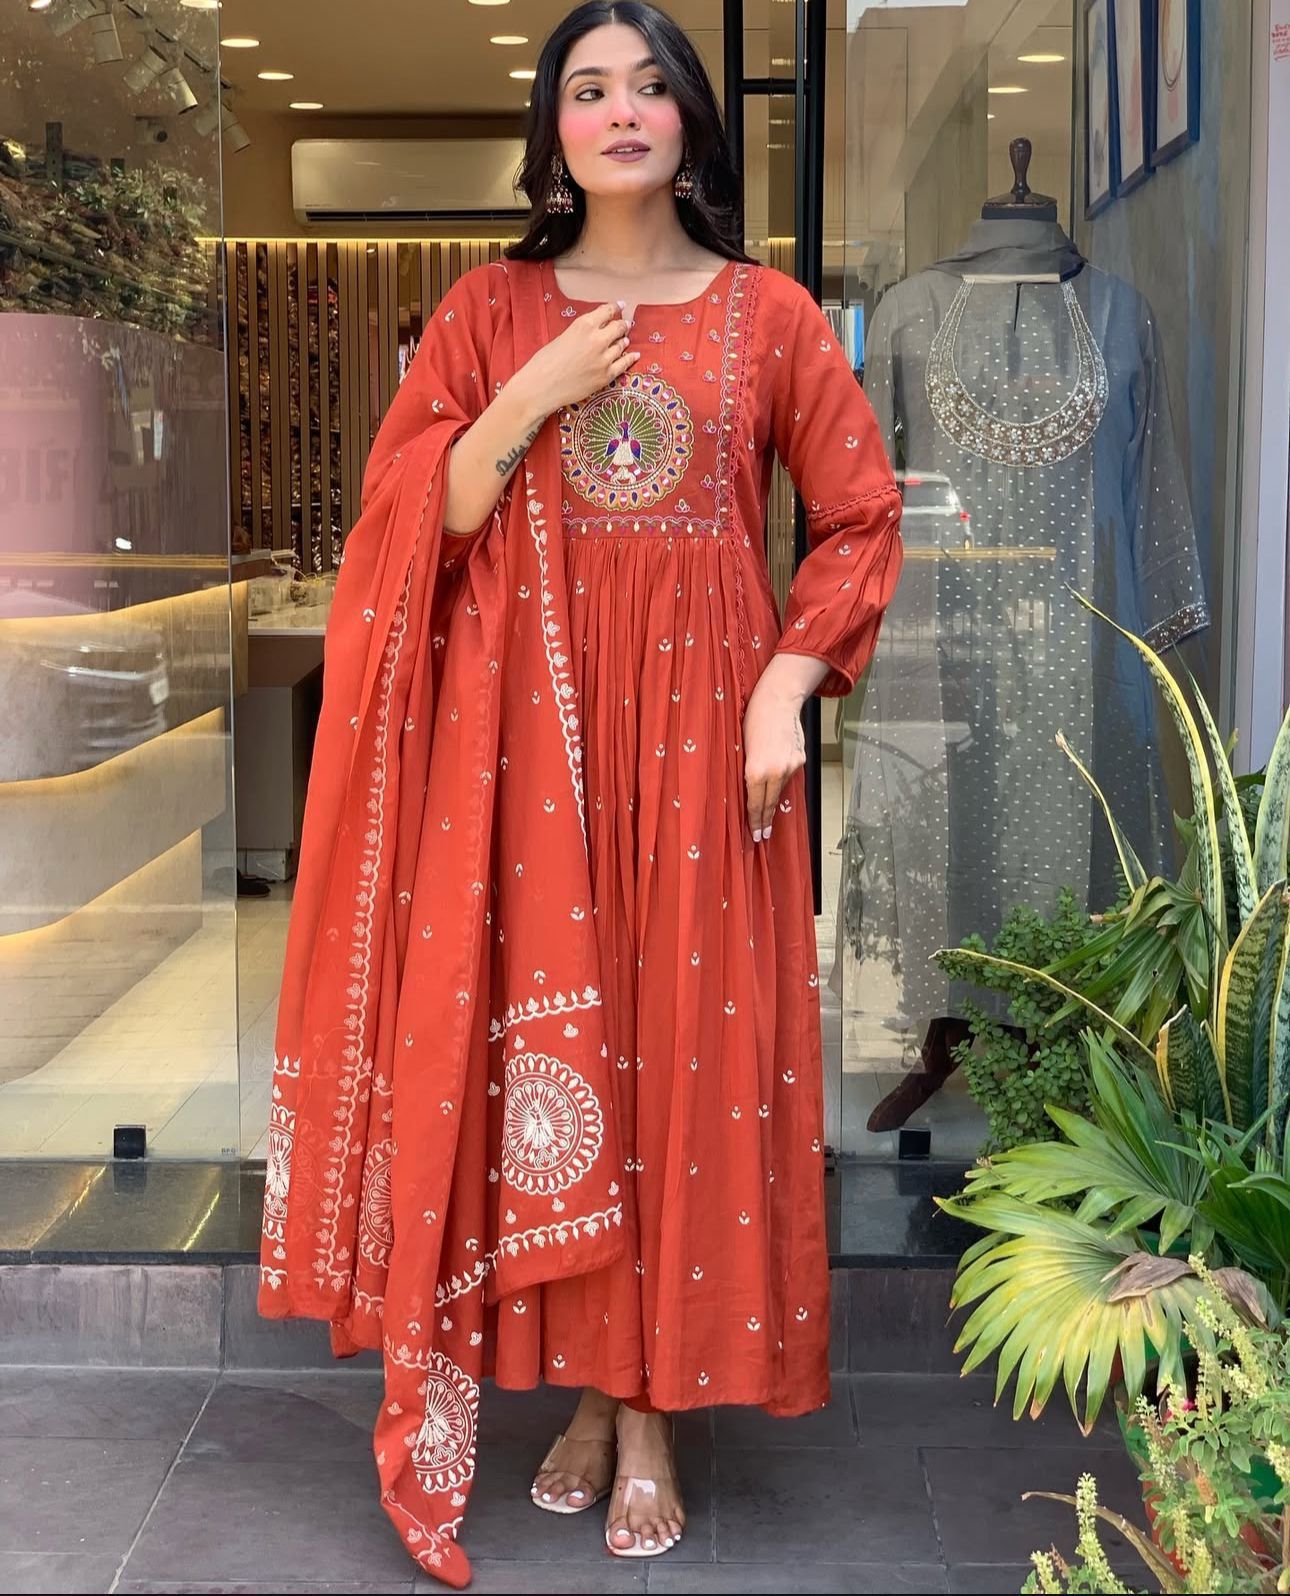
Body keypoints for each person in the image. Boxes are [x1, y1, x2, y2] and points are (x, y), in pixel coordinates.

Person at [258, 2, 903, 1586]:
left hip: (704, 753)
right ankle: (596, 1403)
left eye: (648, 87)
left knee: (684, 1056)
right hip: (522, 764)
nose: (621, 112)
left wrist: (781, 691)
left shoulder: (770, 319)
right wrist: (526, 391)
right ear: (552, 128)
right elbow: (421, 523)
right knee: (559, 1047)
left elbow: (858, 516)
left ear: (691, 116)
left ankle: (652, 1413)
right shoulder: (491, 309)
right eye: (586, 89)